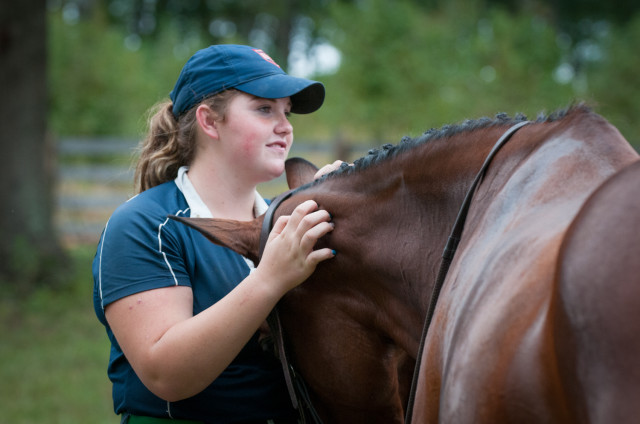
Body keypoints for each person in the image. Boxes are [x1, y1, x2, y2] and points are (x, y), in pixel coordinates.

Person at [92, 44, 340, 424]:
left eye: (286, 112)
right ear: (209, 121)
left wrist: (345, 213)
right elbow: (165, 374)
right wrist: (270, 279)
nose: (285, 126)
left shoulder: (286, 221)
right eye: (264, 109)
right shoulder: (144, 225)